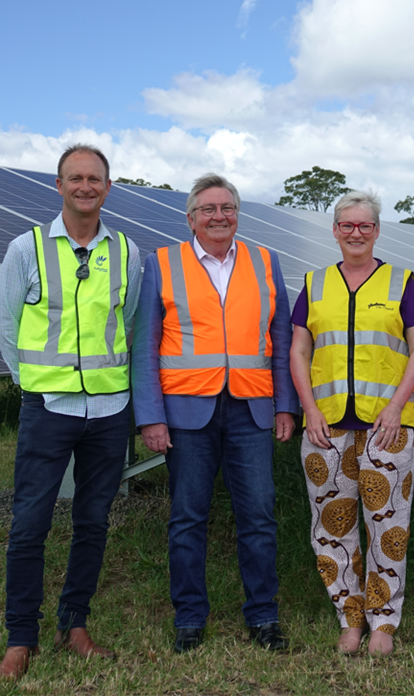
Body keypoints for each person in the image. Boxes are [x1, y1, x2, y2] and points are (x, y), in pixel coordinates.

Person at [0, 143, 142, 680]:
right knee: (29, 523)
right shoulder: (26, 249)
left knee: (93, 521)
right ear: (59, 186)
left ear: (108, 186)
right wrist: (30, 381)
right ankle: (20, 637)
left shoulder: (127, 252)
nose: (85, 186)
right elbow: (6, 327)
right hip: (48, 408)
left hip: (108, 410)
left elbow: (129, 326)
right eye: (75, 178)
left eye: (94, 178)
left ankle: (74, 622)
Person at [132, 173, 297, 654]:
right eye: (208, 209)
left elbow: (282, 340)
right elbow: (145, 346)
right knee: (187, 517)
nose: (219, 216)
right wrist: (151, 416)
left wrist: (284, 405)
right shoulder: (161, 264)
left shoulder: (266, 262)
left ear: (238, 214)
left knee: (259, 516)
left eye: (227, 208)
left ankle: (263, 614)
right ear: (191, 218)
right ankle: (189, 617)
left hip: (251, 410)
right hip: (186, 414)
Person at [289, 191, 414, 657]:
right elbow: (299, 351)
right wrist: (309, 409)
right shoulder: (315, 283)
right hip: (325, 429)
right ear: (334, 230)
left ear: (376, 231)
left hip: (386, 428)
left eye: (364, 226)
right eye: (347, 225)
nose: (355, 233)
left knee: (388, 527)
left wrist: (395, 407)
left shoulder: (401, 282)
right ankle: (349, 619)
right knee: (332, 526)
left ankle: (383, 623)